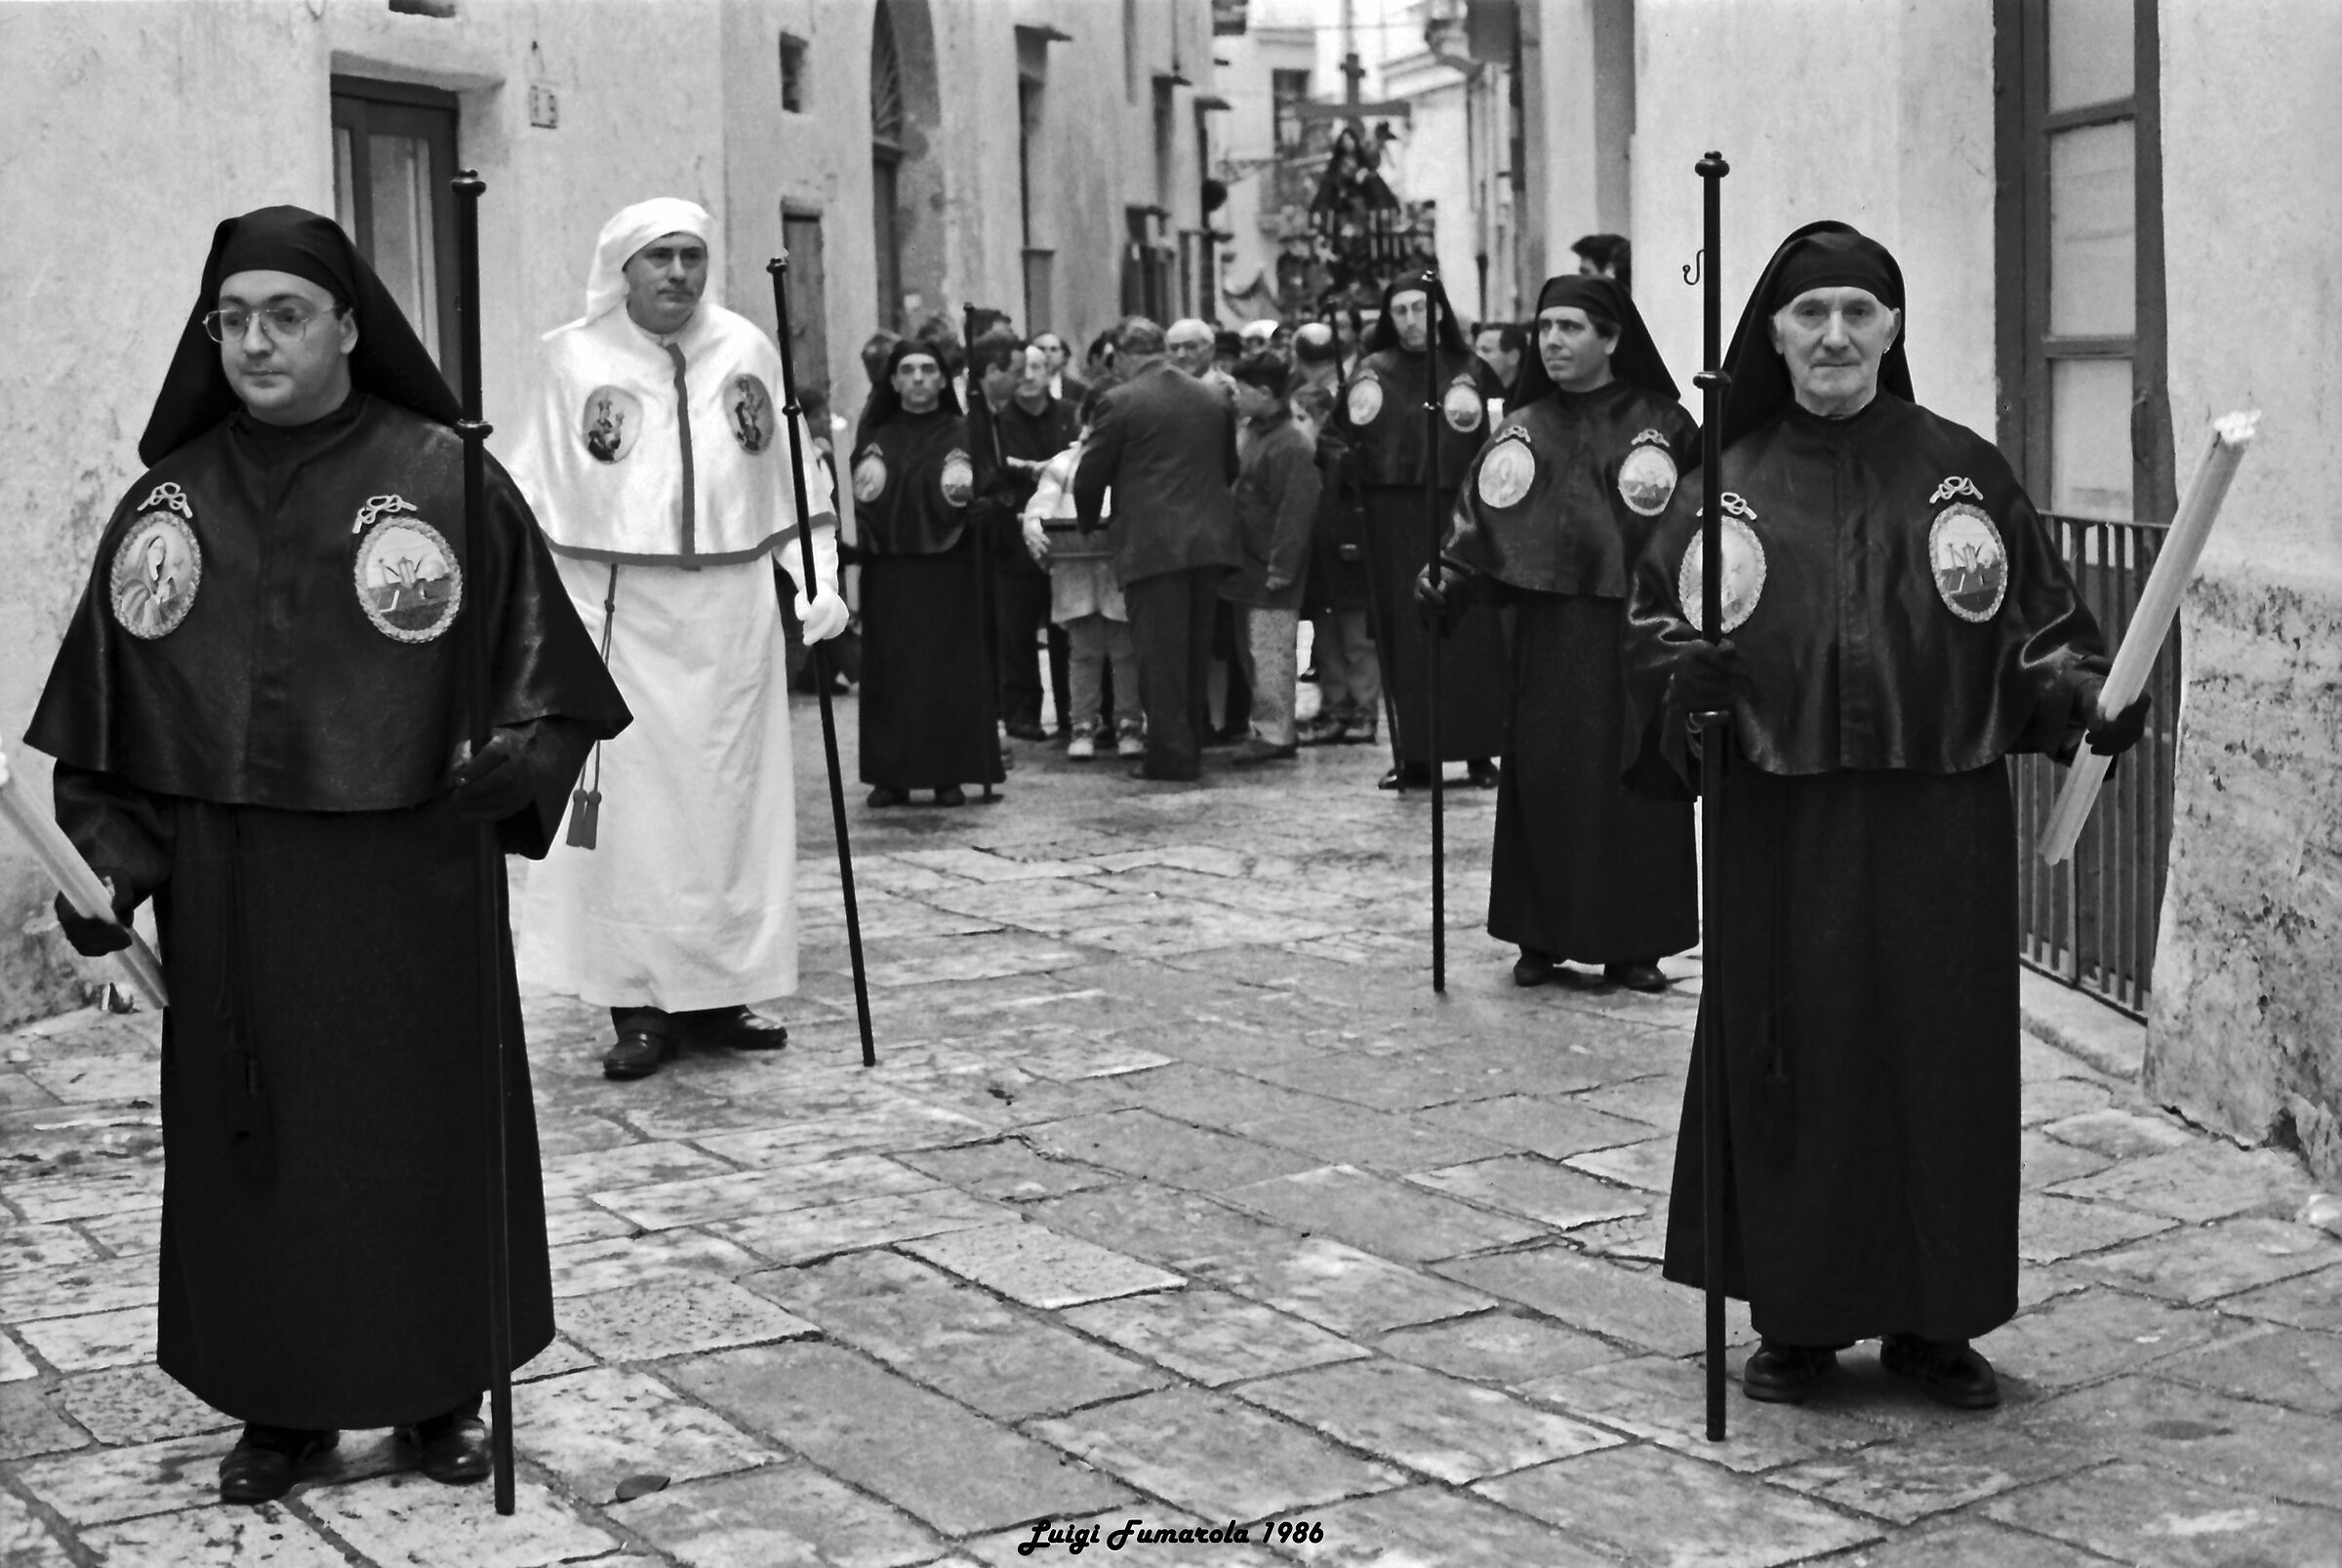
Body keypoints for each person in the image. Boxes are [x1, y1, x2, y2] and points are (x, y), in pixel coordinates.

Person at [26, 206, 628, 1503]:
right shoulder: (167, 506)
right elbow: (117, 730)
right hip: (236, 890)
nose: (253, 339)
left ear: (349, 327)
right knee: (263, 1149)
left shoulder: (445, 472)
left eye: (283, 314)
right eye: (230, 318)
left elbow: (552, 680)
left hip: (409, 881)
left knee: (417, 1131)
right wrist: (109, 865)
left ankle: (434, 1387)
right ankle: (281, 1404)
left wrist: (514, 761)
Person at [1624, 221, 2146, 1410]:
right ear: (1773, 332)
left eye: (1861, 312)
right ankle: (1797, 1320)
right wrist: (1678, 684)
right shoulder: (1724, 484)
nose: (1836, 336)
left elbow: (2042, 636)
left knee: (1939, 1061)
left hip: (1937, 827)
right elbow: (1653, 630)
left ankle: (1935, 1319)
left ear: (1896, 329)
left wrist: (2084, 700)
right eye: (1811, 315)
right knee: (1791, 1061)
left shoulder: (1966, 471)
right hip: (1779, 820)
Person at [508, 200, 846, 1082]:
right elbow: (534, 496)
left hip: (732, 616)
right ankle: (638, 1001)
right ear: (623, 265)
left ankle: (719, 989)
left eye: (692, 256)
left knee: (731, 804)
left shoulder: (745, 348)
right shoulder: (570, 359)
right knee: (633, 819)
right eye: (660, 257)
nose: (678, 274)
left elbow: (788, 473)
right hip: (616, 614)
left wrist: (819, 580)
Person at [1424, 276, 1698, 993]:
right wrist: (1446, 582)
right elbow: (1478, 533)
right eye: (1545, 328)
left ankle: (1636, 944)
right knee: (1544, 781)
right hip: (1548, 639)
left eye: (1572, 327)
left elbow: (1700, 534)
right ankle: (1539, 935)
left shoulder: (1665, 424)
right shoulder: (1523, 429)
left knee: (1635, 786)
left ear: (1611, 338)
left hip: (1639, 636)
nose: (1553, 341)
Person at [1332, 269, 1507, 789]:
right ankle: (1416, 756)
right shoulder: (1371, 371)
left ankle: (1478, 751)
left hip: (1461, 513)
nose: (1411, 320)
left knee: (1468, 632)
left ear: (1438, 312)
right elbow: (1335, 438)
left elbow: (1500, 437)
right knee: (1407, 636)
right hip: (1393, 517)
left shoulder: (1471, 370)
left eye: (1420, 308)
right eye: (1400, 310)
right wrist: (1349, 464)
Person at [1072, 317, 1241, 782]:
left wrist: (1089, 521)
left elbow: (1091, 473)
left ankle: (1170, 756)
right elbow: (1229, 465)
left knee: (1159, 655)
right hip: (1207, 543)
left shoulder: (1119, 401)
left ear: (1122, 355)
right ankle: (1190, 741)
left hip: (1152, 546)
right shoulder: (1212, 397)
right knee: (1193, 651)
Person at [852, 339, 1005, 803]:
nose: (918, 378)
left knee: (947, 672)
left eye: (927, 370)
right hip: (890, 571)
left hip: (950, 570)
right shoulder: (875, 434)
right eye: (908, 370)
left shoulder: (967, 431)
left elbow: (998, 492)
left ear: (942, 379)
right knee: (890, 671)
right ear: (893, 381)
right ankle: (890, 774)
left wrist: (986, 508)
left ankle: (948, 773)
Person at [1023, 383, 1144, 759]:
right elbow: (1040, 504)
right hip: (1076, 565)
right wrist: (1033, 525)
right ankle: (1083, 723)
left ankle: (1128, 723)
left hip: (1118, 566)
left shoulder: (1133, 458)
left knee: (1126, 651)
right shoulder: (1064, 463)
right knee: (1084, 652)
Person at [968, 331, 1077, 743]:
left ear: (1050, 371)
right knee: (1015, 633)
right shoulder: (996, 422)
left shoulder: (1068, 414)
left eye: (1036, 367)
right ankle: (1022, 713)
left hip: (1063, 540)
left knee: (1066, 629)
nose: (1027, 376)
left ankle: (1073, 711)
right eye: (1021, 369)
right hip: (1012, 543)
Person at [1223, 351, 1321, 764]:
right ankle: (1266, 727)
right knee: (1254, 651)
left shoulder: (1290, 442)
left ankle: (1276, 733)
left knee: (1272, 652)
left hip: (1269, 568)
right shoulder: (1253, 433)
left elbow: (1295, 512)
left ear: (1265, 393)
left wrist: (1281, 568)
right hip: (1247, 565)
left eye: (1241, 391)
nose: (1235, 398)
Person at [1472, 320, 1526, 402]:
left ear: (1513, 357)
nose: (1476, 356)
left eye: (1486, 350)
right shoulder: (1472, 394)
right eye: (1476, 350)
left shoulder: (1531, 400)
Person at [1033, 330, 1088, 405]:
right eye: (1041, 349)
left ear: (1064, 356)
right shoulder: (1020, 388)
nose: (1047, 354)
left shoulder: (1079, 390)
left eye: (1053, 349)